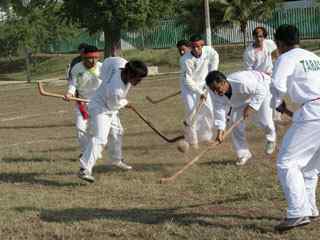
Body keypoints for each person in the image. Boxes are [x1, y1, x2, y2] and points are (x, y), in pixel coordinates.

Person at [270, 24, 320, 231]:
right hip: (314, 109)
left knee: (287, 162)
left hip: (313, 113)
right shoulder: (313, 57)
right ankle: (310, 208)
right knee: (308, 167)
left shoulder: (285, 58)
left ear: (279, 43)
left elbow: (278, 85)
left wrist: (277, 103)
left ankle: (298, 212)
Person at [78, 58, 148, 182]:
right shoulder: (116, 89)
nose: (139, 82)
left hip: (110, 105)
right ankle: (84, 169)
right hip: (101, 108)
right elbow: (113, 105)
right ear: (129, 74)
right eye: (138, 79)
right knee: (100, 138)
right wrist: (126, 102)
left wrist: (103, 77)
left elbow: (109, 60)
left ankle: (116, 160)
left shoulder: (120, 64)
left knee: (117, 131)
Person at [206, 70, 276, 166]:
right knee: (234, 122)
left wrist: (251, 107)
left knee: (265, 120)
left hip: (263, 85)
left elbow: (261, 90)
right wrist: (220, 131)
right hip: (240, 97)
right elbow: (219, 111)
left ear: (224, 82)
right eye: (212, 89)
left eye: (217, 88)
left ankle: (271, 139)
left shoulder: (242, 83)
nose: (216, 92)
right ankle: (243, 154)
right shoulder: (215, 93)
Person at [180, 34, 219, 148]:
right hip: (188, 87)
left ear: (202, 45)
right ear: (191, 47)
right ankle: (193, 140)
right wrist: (200, 93)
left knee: (209, 111)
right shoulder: (185, 60)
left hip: (204, 84)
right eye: (194, 47)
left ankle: (206, 137)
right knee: (192, 111)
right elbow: (188, 81)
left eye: (198, 46)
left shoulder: (208, 51)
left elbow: (215, 56)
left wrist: (212, 73)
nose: (196, 49)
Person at [64, 45, 102, 156]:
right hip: (82, 102)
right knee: (80, 128)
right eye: (90, 58)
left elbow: (107, 85)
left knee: (97, 130)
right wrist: (69, 93)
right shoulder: (76, 68)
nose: (93, 61)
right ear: (84, 58)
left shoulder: (103, 67)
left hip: (99, 103)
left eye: (96, 58)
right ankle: (87, 152)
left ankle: (94, 152)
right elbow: (73, 84)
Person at [243, 27, 281, 121]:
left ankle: (277, 117)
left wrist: (276, 65)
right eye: (256, 36)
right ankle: (263, 118)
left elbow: (277, 54)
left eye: (261, 36)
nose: (259, 39)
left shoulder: (269, 43)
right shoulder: (248, 52)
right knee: (264, 99)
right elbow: (249, 71)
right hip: (258, 78)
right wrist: (261, 75)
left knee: (277, 93)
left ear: (264, 37)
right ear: (253, 37)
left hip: (272, 74)